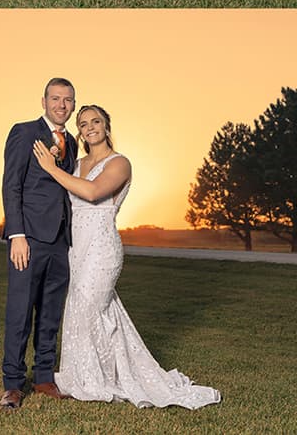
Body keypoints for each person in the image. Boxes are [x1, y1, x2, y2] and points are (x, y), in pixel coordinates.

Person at [32, 104, 222, 408]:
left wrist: (52, 169)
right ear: (78, 131)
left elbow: (93, 193)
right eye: (83, 123)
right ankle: (87, 374)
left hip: (102, 249)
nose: (90, 127)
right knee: (89, 311)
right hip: (75, 249)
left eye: (96, 121)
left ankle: (95, 381)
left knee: (89, 310)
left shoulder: (120, 163)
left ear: (107, 126)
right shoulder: (75, 163)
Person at [0, 78, 78, 411]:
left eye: (68, 100)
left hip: (61, 240)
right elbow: (11, 185)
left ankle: (44, 377)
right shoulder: (24, 132)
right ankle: (13, 385)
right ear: (44, 101)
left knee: (50, 312)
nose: (62, 105)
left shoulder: (72, 141)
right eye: (56, 98)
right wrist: (16, 235)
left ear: (73, 105)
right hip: (29, 238)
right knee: (21, 311)